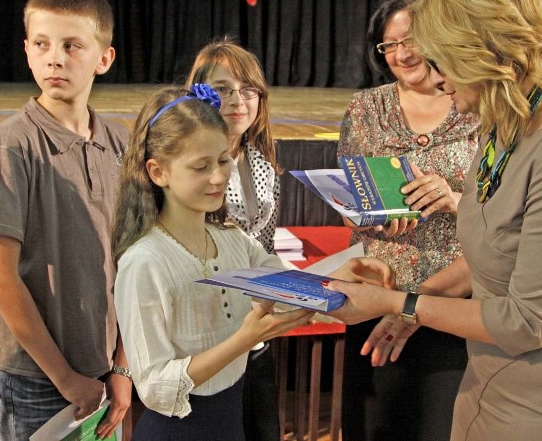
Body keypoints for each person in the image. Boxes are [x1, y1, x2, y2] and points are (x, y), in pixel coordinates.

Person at [327, 0, 542, 440]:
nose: (444, 91)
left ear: (481, 51)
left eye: (442, 66)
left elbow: (527, 322)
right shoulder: (508, 124)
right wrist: (413, 306)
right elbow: (493, 246)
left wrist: (397, 301)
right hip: (493, 385)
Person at [111, 84, 386, 440]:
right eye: (200, 166)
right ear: (158, 171)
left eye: (223, 160)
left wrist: (341, 273)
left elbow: (292, 290)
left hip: (230, 423)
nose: (218, 177)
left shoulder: (233, 241)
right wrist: (244, 340)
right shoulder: (145, 261)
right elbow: (155, 388)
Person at [0, 0, 131, 440]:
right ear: (26, 51)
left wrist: (122, 368)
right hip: (36, 373)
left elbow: (133, 262)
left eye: (71, 45)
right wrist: (65, 379)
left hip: (102, 367)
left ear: (104, 58)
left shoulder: (121, 142)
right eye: (42, 44)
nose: (55, 57)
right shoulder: (15, 142)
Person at [337, 0, 479, 441]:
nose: (400, 53)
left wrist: (455, 201)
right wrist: (368, 212)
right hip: (378, 293)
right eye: (390, 44)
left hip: (453, 298)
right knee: (373, 426)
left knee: (439, 426)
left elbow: (503, 214)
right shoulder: (364, 108)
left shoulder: (475, 104)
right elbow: (349, 205)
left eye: (410, 41)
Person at [186, 38, 282, 440]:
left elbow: (267, 247)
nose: (238, 100)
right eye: (223, 89)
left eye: (248, 90)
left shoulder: (262, 162)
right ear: (199, 94)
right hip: (201, 335)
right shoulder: (179, 160)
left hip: (254, 331)